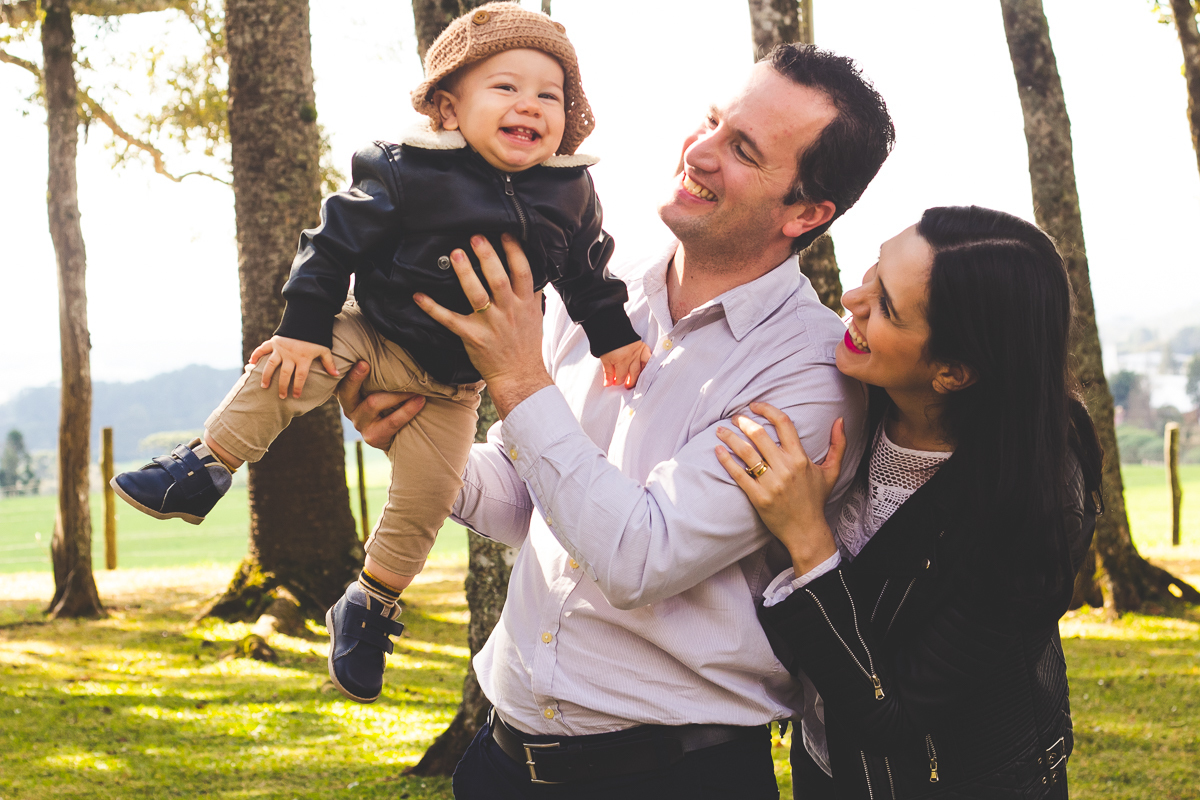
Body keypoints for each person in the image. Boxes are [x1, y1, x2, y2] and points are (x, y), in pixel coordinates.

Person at [341, 44, 895, 799]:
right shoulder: (603, 287)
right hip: (501, 763)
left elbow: (641, 559)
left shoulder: (810, 373)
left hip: (675, 777)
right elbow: (527, 499)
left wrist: (516, 374)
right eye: (710, 121)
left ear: (806, 212)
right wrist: (413, 432)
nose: (697, 153)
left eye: (742, 149)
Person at [109, 3, 651, 706]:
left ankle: (368, 607)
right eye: (506, 88)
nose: (530, 106)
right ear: (450, 110)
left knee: (424, 502)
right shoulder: (407, 170)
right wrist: (304, 326)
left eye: (550, 95)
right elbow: (329, 244)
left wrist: (615, 337)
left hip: (456, 387)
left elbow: (587, 271)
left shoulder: (572, 190)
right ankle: (204, 465)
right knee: (286, 368)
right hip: (373, 333)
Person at [715, 206, 1103, 798]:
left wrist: (808, 539)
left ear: (952, 372)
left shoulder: (1031, 512)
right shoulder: (850, 406)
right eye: (872, 272)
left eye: (886, 307)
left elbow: (892, 716)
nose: (851, 298)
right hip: (827, 770)